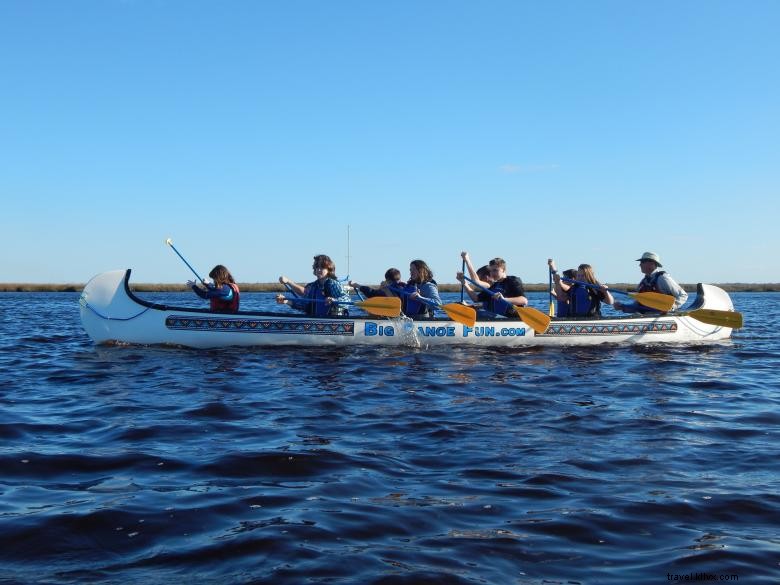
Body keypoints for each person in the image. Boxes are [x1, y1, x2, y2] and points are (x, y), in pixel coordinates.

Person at [276, 254, 351, 317]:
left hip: (334, 321)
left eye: (322, 267)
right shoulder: (312, 286)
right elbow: (303, 305)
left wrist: (335, 300)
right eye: (317, 267)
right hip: (315, 321)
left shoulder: (333, 284)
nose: (318, 270)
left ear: (328, 269)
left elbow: (347, 299)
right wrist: (286, 301)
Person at [613, 252, 688, 313]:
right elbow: (636, 306)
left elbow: (683, 295)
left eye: (642, 262)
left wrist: (671, 307)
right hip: (648, 318)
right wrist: (622, 307)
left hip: (664, 317)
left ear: (652, 263)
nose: (639, 265)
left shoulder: (663, 278)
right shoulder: (643, 283)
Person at [457, 252, 527, 317]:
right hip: (498, 317)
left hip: (513, 317)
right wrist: (464, 282)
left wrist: (504, 299)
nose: (492, 273)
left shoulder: (513, 280)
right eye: (491, 271)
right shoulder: (494, 285)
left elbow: (524, 300)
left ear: (504, 270)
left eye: (495, 270)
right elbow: (476, 299)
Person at [549, 260, 614, 318]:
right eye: (578, 275)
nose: (580, 278)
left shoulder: (594, 288)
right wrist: (557, 280)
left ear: (589, 276)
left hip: (592, 319)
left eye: (582, 276)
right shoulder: (574, 288)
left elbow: (610, 302)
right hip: (574, 319)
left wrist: (605, 292)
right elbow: (561, 298)